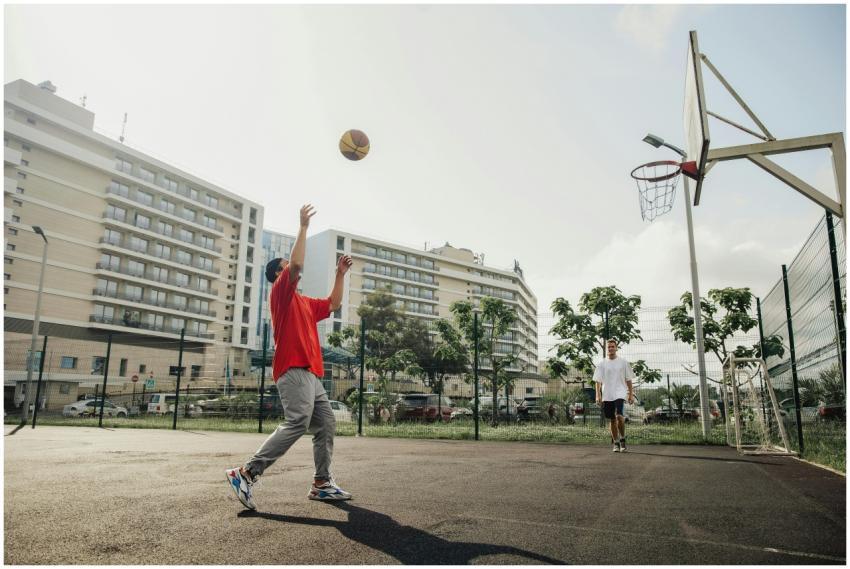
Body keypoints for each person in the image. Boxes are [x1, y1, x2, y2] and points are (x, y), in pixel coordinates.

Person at [226, 204, 353, 510]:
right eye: (286, 264)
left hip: (311, 373)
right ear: (278, 274)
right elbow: (296, 265)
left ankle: (322, 483)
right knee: (297, 422)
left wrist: (340, 274)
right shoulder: (281, 293)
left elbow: (333, 304)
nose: (292, 266)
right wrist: (304, 227)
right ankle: (246, 472)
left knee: (325, 424)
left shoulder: (305, 303)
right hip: (293, 369)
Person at [593, 339, 635, 453]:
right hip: (607, 394)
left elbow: (629, 379)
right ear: (607, 349)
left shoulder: (623, 362)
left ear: (616, 348)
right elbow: (597, 381)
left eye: (612, 346)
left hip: (620, 393)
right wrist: (598, 395)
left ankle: (622, 439)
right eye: (609, 347)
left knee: (619, 417)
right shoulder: (602, 364)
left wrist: (631, 394)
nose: (611, 348)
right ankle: (616, 442)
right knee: (612, 419)